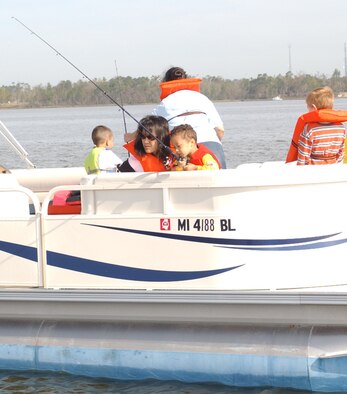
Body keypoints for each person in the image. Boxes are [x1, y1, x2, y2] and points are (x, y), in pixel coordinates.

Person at [123, 67, 226, 168]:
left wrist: (129, 137)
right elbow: (220, 131)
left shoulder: (165, 103)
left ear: (166, 83)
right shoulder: (203, 98)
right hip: (212, 145)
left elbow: (149, 127)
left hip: (182, 149)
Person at [286, 87, 347, 164]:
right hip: (332, 169)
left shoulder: (310, 129)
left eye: (308, 107)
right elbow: (341, 154)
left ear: (314, 108)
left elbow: (303, 157)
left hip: (313, 171)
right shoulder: (341, 128)